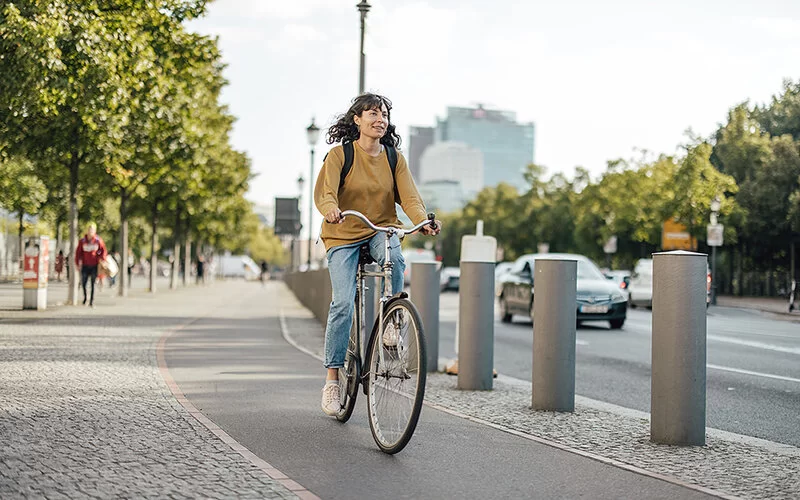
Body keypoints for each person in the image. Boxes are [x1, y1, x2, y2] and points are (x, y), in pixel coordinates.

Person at [314, 93, 441, 416]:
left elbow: (409, 198)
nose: (379, 118)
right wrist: (331, 210)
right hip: (343, 232)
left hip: (378, 228)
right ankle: (332, 380)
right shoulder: (340, 155)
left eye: (383, 113)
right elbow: (326, 192)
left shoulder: (393, 158)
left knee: (396, 257)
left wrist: (422, 222)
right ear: (357, 120)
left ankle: (392, 321)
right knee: (343, 302)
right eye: (372, 113)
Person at [74, 222, 107, 307]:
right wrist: (77, 263)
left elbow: (103, 251)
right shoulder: (82, 241)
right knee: (84, 283)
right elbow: (78, 253)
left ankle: (92, 301)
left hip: (94, 265)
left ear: (95, 231)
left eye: (92, 229)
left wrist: (101, 259)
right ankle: (85, 298)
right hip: (85, 265)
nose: (90, 231)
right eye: (89, 229)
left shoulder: (98, 240)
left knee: (93, 283)